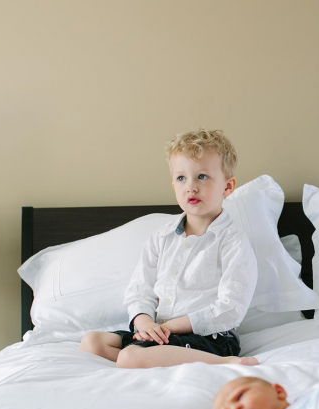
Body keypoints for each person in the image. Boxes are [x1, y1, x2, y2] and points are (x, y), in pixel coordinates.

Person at [80, 128, 259, 368]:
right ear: (174, 185)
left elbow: (230, 309)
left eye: (202, 177)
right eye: (181, 178)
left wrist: (168, 327)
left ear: (227, 186)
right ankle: (153, 356)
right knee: (92, 342)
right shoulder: (161, 237)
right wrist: (144, 323)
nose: (191, 187)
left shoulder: (233, 241)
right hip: (161, 333)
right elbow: (140, 290)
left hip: (211, 337)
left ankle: (225, 362)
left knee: (130, 356)